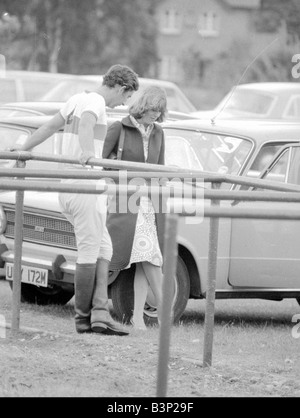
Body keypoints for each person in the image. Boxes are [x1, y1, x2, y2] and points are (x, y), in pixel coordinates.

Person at [10, 64, 139, 335]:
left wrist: (24, 148)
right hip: (84, 186)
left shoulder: (76, 98)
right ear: (121, 87)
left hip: (69, 187)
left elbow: (49, 126)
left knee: (104, 249)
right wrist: (89, 156)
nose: (121, 105)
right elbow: (89, 124)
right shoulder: (95, 102)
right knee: (91, 250)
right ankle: (83, 319)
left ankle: (100, 313)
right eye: (125, 98)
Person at [102, 86, 167, 330]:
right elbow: (102, 163)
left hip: (151, 203)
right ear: (143, 106)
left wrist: (162, 200)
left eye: (160, 111)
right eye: (153, 109)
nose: (156, 115)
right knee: (149, 254)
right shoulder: (118, 127)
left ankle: (138, 318)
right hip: (127, 201)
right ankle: (164, 308)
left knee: (146, 257)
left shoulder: (159, 132)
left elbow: (161, 169)